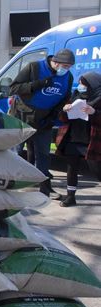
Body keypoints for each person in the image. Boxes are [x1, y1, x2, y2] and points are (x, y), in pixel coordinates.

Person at [9, 48, 75, 199]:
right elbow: (13, 88)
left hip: (44, 121)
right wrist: (38, 84)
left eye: (69, 67)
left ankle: (45, 188)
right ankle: (9, 185)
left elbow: (65, 97)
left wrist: (52, 116)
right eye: (65, 67)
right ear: (56, 62)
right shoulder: (34, 67)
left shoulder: (68, 77)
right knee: (15, 153)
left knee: (44, 155)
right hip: (22, 118)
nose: (67, 70)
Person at [55, 71, 101, 207]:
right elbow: (62, 118)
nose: (80, 86)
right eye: (80, 83)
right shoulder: (75, 96)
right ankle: (70, 196)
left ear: (92, 85)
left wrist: (94, 113)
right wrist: (65, 110)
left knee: (97, 170)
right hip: (73, 137)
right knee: (71, 168)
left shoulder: (99, 98)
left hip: (92, 140)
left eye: (83, 84)